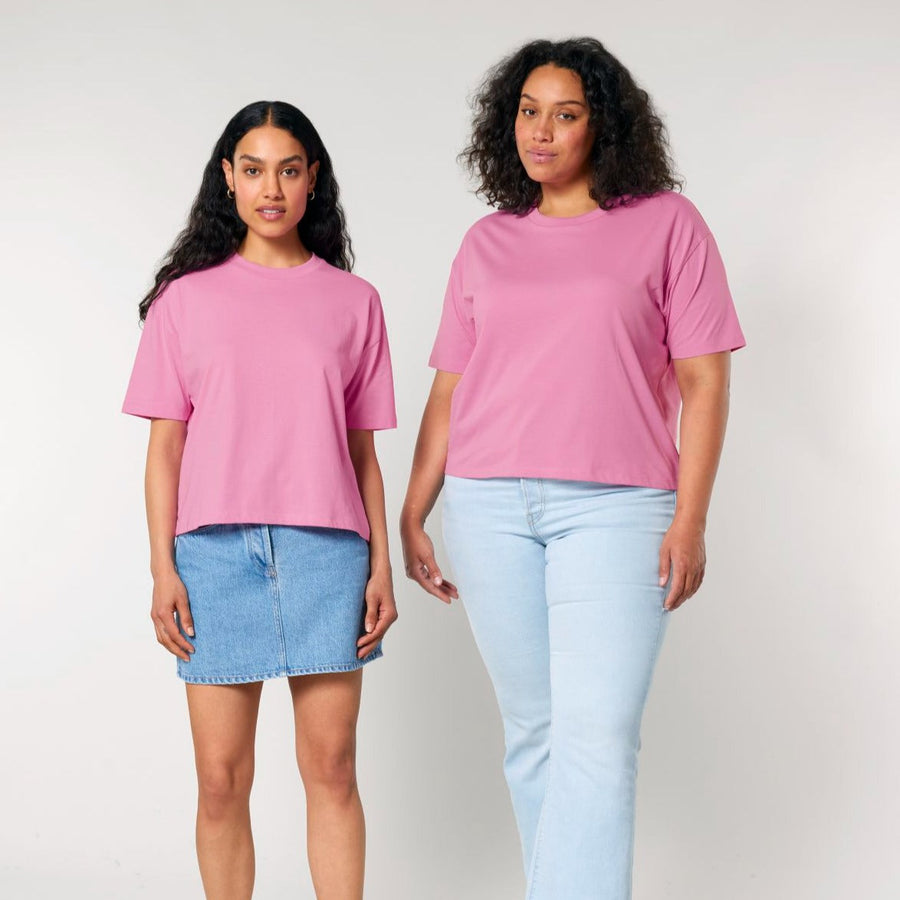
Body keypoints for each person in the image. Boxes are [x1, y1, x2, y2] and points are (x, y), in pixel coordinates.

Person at [400, 38, 746, 899]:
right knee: (535, 733)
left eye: (566, 113)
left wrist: (691, 518)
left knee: (597, 734)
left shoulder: (669, 224)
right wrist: (414, 508)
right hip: (485, 507)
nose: (542, 132)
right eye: (528, 112)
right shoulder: (486, 242)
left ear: (605, 125)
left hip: (620, 507)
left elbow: (704, 382)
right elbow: (450, 388)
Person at [122, 100, 397, 900]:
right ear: (227, 179)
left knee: (334, 768)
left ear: (313, 180)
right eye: (252, 168)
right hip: (211, 557)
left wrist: (380, 566)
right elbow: (164, 448)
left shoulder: (354, 301)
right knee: (218, 779)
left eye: (288, 168)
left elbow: (361, 454)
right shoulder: (184, 300)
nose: (270, 187)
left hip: (327, 555)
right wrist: (161, 569)